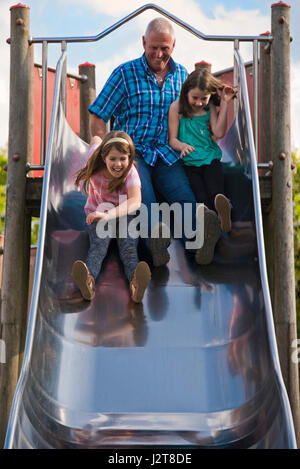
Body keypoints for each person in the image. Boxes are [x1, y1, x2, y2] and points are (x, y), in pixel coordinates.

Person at [88, 18, 212, 267]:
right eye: (153, 47)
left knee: (183, 196)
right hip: (133, 156)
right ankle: (156, 242)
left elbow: (198, 108)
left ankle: (200, 242)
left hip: (167, 153)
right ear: (144, 42)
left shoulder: (182, 76)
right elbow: (98, 115)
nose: (158, 53)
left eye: (164, 48)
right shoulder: (125, 73)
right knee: (144, 199)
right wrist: (102, 152)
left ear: (173, 45)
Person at [71, 131, 151, 303]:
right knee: (98, 247)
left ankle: (136, 285)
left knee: (129, 250)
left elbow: (135, 201)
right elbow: (95, 139)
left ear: (129, 158)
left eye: (123, 158)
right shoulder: (94, 161)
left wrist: (108, 215)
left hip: (123, 215)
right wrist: (98, 141)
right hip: (98, 213)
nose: (118, 164)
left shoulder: (131, 173)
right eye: (113, 159)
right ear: (103, 157)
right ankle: (88, 281)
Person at [168, 68, 235, 262]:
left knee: (216, 192)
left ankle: (225, 214)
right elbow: (172, 139)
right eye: (195, 98)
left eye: (203, 98)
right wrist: (182, 145)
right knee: (201, 200)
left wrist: (224, 103)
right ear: (186, 92)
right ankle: (210, 238)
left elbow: (219, 132)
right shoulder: (177, 108)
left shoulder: (209, 108)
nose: (199, 103)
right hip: (189, 163)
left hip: (210, 158)